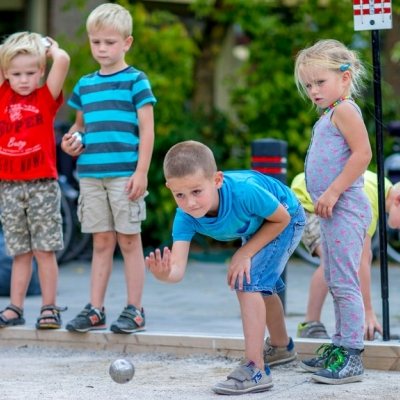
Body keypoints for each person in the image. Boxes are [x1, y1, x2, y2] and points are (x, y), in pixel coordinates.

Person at [145, 140, 305, 395]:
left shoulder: (244, 191)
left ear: (217, 180)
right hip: (256, 226)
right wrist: (164, 275)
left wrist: (244, 251)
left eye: (197, 191)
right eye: (180, 195)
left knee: (246, 282)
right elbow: (177, 270)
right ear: (170, 189)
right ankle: (281, 348)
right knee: (261, 286)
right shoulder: (185, 216)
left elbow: (282, 218)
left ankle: (255, 369)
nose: (190, 203)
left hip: (285, 216)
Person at [61, 3, 156, 334]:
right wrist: (71, 142)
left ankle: (135, 309)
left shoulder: (136, 81)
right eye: (96, 42)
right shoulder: (85, 85)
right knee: (100, 242)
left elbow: (147, 130)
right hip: (90, 175)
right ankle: (95, 309)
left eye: (109, 42)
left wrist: (141, 171)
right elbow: (78, 129)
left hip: (125, 175)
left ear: (126, 43)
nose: (102, 48)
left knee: (129, 240)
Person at [294, 39, 372, 384]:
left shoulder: (344, 110)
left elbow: (362, 154)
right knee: (336, 277)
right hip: (332, 210)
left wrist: (334, 191)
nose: (313, 90)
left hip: (345, 208)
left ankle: (352, 354)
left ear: (345, 76)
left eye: (319, 82)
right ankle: (341, 345)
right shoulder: (331, 112)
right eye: (308, 85)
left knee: (343, 280)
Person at [0, 32, 70, 329]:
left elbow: (63, 60)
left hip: (41, 185)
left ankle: (49, 308)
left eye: (31, 72)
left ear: (41, 71)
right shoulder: (3, 95)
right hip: (9, 186)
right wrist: (8, 50)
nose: (24, 79)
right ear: (6, 73)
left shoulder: (45, 98)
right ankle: (15, 307)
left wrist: (48, 48)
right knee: (19, 251)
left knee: (44, 250)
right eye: (16, 74)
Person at [292, 170, 400, 341]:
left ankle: (339, 324)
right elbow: (360, 260)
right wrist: (368, 313)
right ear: (398, 201)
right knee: (332, 260)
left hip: (319, 193)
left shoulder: (382, 187)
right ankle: (310, 324)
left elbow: (365, 255)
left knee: (340, 260)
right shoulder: (369, 198)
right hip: (308, 199)